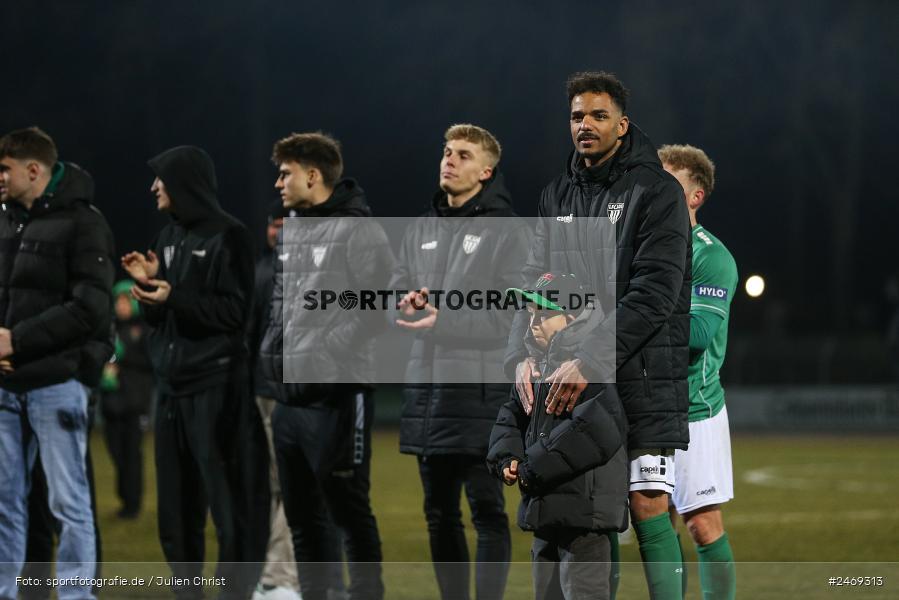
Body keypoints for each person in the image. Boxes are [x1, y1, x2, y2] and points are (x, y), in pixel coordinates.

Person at [506, 71, 692, 600]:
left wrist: (589, 357)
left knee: (646, 504)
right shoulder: (555, 194)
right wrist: (522, 356)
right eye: (576, 116)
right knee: (585, 507)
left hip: (639, 376)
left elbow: (655, 293)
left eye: (597, 115)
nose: (584, 125)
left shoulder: (656, 192)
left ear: (622, 124)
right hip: (569, 380)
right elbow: (532, 285)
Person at [122, 145, 268, 599]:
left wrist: (172, 297)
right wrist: (149, 290)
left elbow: (235, 313)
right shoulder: (166, 236)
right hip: (170, 390)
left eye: (160, 178)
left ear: (183, 181)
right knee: (176, 513)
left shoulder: (231, 236)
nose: (153, 188)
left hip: (217, 389)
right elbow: (164, 314)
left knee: (229, 510)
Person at [389, 123, 527, 600]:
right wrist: (403, 305)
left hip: (481, 396)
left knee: (487, 512)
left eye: (463, 155)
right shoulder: (421, 226)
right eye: (447, 151)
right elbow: (396, 291)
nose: (449, 160)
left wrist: (444, 322)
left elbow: (514, 316)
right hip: (428, 394)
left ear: (486, 171)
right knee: (438, 514)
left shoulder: (508, 232)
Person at [260, 132, 392, 600]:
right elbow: (281, 308)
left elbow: (377, 305)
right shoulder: (295, 227)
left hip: (337, 397)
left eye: (285, 172)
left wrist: (322, 354)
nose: (278, 182)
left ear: (312, 175)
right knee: (303, 519)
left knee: (348, 513)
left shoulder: (358, 229)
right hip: (290, 401)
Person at [0, 127, 115, 600]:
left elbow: (90, 308)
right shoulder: (5, 222)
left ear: (34, 170)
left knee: (67, 502)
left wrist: (15, 341)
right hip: (5, 386)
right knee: (5, 501)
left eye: (4, 170)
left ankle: (75, 595)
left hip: (56, 383)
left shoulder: (85, 223)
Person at [488, 272, 628, 600]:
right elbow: (509, 417)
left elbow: (595, 431)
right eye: (531, 313)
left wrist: (531, 467)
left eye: (544, 313)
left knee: (584, 593)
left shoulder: (591, 366)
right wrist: (507, 456)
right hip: (546, 507)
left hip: (584, 517)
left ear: (573, 316)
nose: (533, 322)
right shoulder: (536, 365)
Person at [659, 144, 737, 600]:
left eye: (668, 184)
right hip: (642, 403)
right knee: (651, 518)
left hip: (695, 410)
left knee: (702, 525)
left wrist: (635, 313)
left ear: (695, 196)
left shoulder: (712, 257)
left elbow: (699, 333)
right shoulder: (640, 247)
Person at [99, 279, 154, 519]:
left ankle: (132, 504)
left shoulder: (143, 329)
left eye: (125, 300)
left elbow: (150, 362)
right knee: (116, 452)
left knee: (132, 454)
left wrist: (122, 362)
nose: (121, 305)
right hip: (112, 402)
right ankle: (125, 499)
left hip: (134, 402)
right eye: (118, 301)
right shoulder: (107, 330)